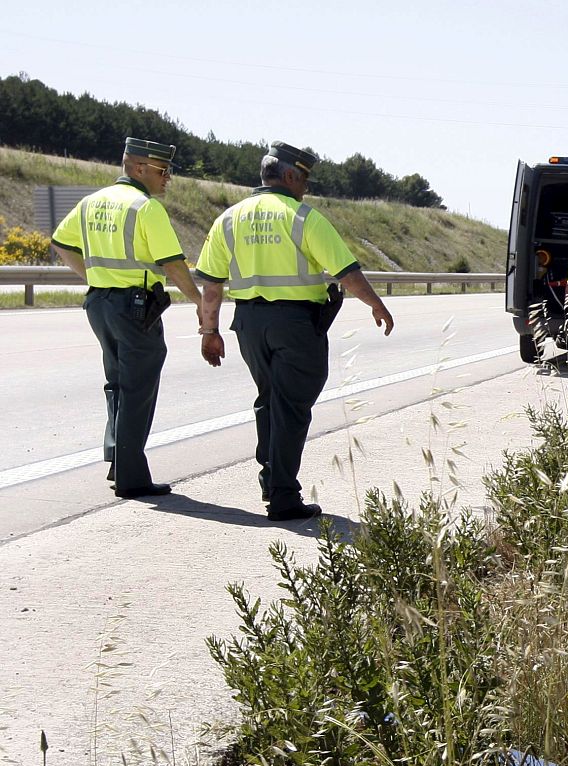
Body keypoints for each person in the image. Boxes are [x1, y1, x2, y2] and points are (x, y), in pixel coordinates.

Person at [194, 142, 394, 521]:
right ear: (288, 176)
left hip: (249, 325)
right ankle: (284, 496)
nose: (306, 187)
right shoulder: (303, 218)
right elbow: (346, 272)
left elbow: (212, 285)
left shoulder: (229, 219)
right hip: (295, 326)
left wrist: (209, 331)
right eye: (303, 179)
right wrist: (375, 304)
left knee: (269, 400)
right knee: (292, 406)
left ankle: (271, 480)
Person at [50, 138, 205, 498]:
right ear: (139, 169)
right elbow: (173, 264)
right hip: (134, 308)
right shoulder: (145, 208)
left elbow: (60, 242)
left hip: (100, 304)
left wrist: (92, 276)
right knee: (138, 388)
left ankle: (116, 458)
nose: (168, 179)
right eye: (163, 171)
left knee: (117, 382)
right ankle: (131, 477)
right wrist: (199, 302)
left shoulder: (92, 201)